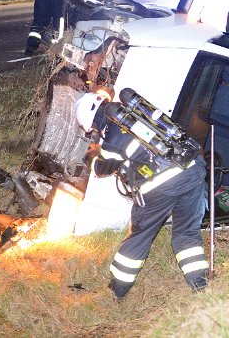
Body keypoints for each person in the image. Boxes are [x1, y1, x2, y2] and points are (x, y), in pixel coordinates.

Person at [74, 91, 209, 300]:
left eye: (92, 129)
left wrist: (90, 157)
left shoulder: (109, 139)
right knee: (186, 233)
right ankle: (201, 286)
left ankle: (115, 291)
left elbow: (103, 168)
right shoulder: (138, 113)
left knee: (140, 235)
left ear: (92, 123)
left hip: (163, 185)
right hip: (192, 169)